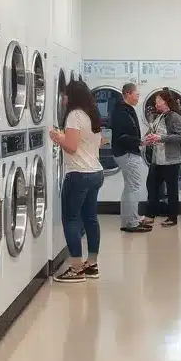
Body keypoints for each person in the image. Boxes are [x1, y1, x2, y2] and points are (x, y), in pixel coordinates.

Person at [50, 79, 104, 283]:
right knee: (90, 218)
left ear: (72, 97)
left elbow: (71, 146)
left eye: (65, 95)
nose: (63, 98)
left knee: (71, 219)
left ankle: (75, 268)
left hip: (79, 174)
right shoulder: (92, 115)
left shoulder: (74, 116)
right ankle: (92, 265)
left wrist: (57, 136)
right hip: (95, 172)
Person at [143, 89, 181, 227]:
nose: (156, 104)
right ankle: (151, 214)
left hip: (171, 160)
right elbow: (152, 132)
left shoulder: (174, 117)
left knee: (172, 190)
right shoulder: (159, 117)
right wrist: (147, 139)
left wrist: (161, 138)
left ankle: (172, 217)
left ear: (166, 101)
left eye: (158, 101)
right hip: (157, 159)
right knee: (152, 186)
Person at [111, 82, 150, 233]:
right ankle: (132, 222)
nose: (138, 97)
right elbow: (122, 135)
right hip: (127, 153)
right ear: (128, 94)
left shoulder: (124, 109)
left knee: (129, 187)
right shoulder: (122, 111)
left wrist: (141, 140)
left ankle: (126, 220)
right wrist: (140, 141)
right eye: (137, 94)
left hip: (125, 152)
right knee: (134, 187)